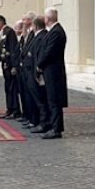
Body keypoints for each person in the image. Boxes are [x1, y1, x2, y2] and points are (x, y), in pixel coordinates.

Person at [37, 7, 67, 139]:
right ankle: (53, 126)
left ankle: (56, 129)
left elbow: (49, 52)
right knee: (51, 99)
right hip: (50, 70)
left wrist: (39, 64)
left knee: (54, 100)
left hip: (53, 71)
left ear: (47, 19)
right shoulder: (54, 31)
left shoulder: (56, 32)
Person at [25, 16, 51, 134]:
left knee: (41, 100)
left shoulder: (41, 37)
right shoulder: (39, 36)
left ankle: (44, 123)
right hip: (31, 72)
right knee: (37, 99)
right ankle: (40, 121)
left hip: (36, 73)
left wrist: (37, 71)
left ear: (35, 26)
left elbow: (38, 56)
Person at [15, 12, 38, 129]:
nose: (23, 22)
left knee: (31, 96)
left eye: (25, 20)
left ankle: (33, 118)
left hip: (30, 68)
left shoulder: (33, 34)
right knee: (25, 95)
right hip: (24, 68)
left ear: (31, 21)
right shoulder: (27, 34)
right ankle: (28, 116)